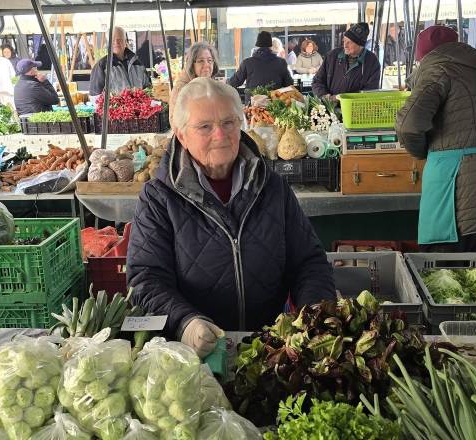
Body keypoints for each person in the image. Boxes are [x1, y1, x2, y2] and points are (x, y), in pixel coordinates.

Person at [126, 78, 335, 357]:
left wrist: (314, 317)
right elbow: (146, 278)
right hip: (195, 356)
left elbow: (309, 261)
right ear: (181, 135)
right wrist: (184, 322)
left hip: (270, 349)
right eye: (204, 127)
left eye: (228, 123)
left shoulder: (271, 187)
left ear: (241, 125)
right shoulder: (159, 198)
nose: (220, 135)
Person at [395, 26, 476, 253]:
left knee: (445, 274)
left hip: (463, 197)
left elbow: (408, 124)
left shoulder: (438, 70)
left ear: (422, 56)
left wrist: (422, 151)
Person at [312, 23, 381, 100]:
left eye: (350, 42)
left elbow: (371, 92)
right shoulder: (332, 56)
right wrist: (326, 97)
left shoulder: (372, 61)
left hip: (354, 109)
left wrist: (347, 100)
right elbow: (317, 81)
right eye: (344, 41)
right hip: (329, 108)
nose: (345, 45)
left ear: (360, 45)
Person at [227, 31, 294, 101]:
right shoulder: (281, 62)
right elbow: (289, 83)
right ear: (270, 45)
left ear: (257, 45)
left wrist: (226, 82)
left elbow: (235, 82)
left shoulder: (247, 62)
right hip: (275, 104)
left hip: (253, 106)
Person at [89, 26, 151, 99]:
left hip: (139, 110)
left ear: (125, 42)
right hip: (114, 110)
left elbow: (148, 89)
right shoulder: (102, 66)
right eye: (113, 40)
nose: (116, 42)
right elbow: (95, 97)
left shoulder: (138, 63)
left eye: (120, 39)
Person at [169, 42, 219, 125]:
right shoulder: (182, 89)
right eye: (201, 61)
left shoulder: (207, 84)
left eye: (210, 60)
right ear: (192, 64)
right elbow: (177, 124)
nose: (206, 65)